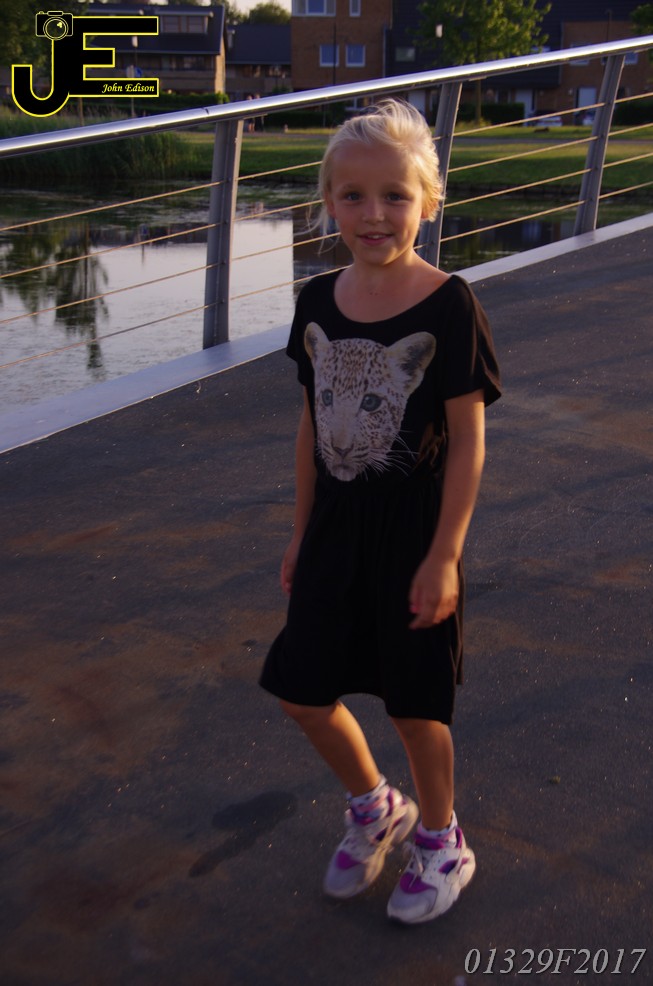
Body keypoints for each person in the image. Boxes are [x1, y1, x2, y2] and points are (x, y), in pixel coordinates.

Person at [259, 99, 501, 925]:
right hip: (334, 530)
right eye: (353, 195)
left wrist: (444, 556)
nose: (373, 214)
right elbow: (309, 425)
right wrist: (300, 533)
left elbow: (467, 442)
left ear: (427, 202)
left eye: (394, 195)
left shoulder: (448, 305)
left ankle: (440, 838)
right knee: (302, 691)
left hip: (412, 534)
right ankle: (374, 807)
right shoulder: (317, 299)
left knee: (412, 704)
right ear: (328, 202)